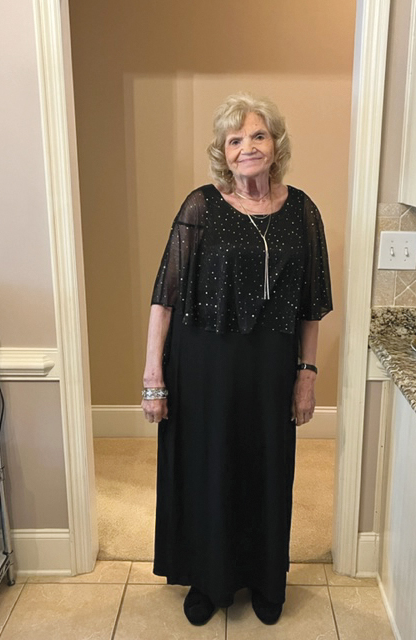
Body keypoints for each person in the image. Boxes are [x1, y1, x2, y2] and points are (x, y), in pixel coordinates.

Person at [141, 93, 332, 626]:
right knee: (209, 468)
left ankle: (266, 578)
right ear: (222, 153)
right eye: (234, 139)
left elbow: (311, 304)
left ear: (276, 145)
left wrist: (307, 374)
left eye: (258, 135)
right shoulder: (201, 206)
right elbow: (165, 297)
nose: (247, 147)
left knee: (267, 469)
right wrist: (154, 376)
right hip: (203, 363)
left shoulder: (303, 211)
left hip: (271, 366)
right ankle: (208, 578)